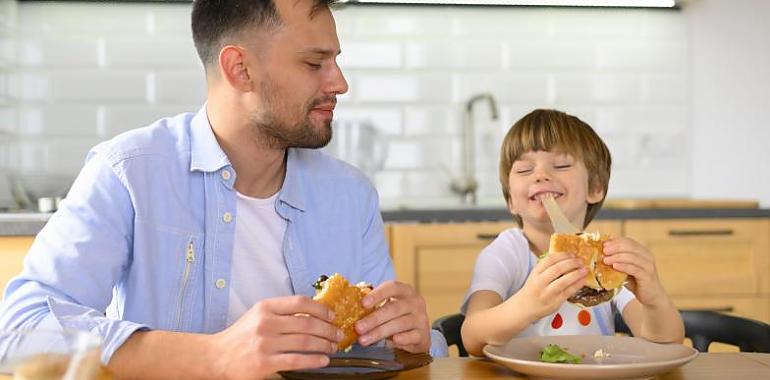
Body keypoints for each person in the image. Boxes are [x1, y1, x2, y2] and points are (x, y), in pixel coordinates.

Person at [0, 0, 447, 378]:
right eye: (314, 64)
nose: (339, 83)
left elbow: (388, 353)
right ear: (240, 69)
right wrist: (213, 356)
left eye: (335, 61)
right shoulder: (129, 173)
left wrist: (410, 338)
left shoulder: (351, 196)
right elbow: (20, 330)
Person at [460, 109, 684, 356]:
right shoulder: (506, 253)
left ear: (595, 187)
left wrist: (654, 298)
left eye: (562, 165)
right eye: (525, 170)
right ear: (510, 199)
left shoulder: (606, 260)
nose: (541, 175)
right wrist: (527, 305)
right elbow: (472, 337)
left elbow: (667, 344)